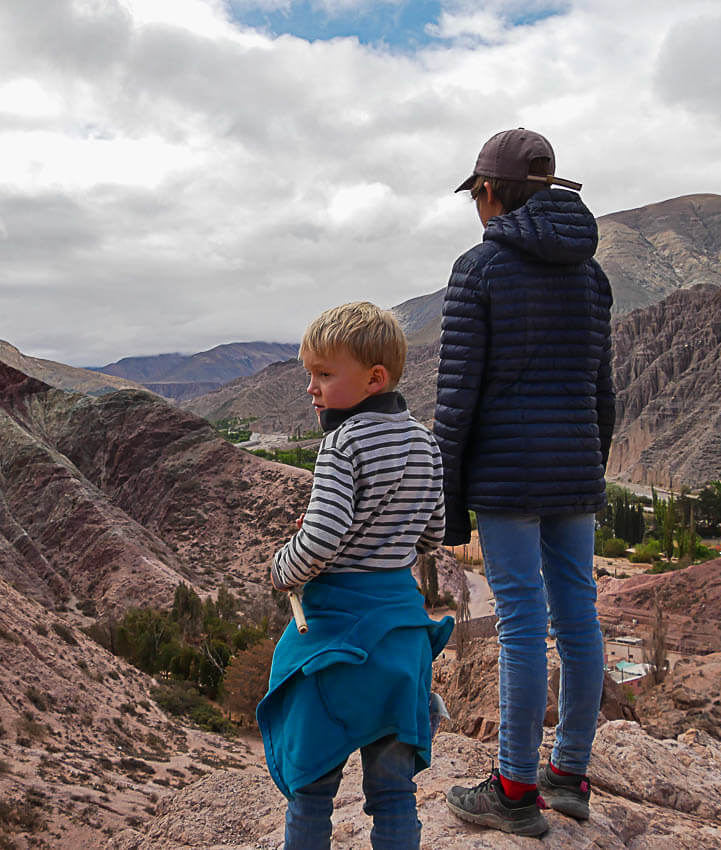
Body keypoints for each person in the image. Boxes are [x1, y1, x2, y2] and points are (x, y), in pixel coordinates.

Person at [436, 128, 614, 837]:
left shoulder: (480, 269)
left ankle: (513, 788)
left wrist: (450, 511)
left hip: (507, 477)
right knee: (578, 618)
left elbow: (457, 400)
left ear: (487, 193)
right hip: (574, 468)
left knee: (519, 626)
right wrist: (587, 466)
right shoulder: (592, 276)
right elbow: (603, 392)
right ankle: (568, 775)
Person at [257, 301, 454, 850]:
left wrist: (281, 568)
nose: (311, 388)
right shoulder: (424, 441)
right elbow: (433, 533)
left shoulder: (341, 444)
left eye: (324, 374)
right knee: (393, 795)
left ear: (374, 378)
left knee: (311, 790)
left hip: (338, 642)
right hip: (400, 640)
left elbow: (318, 542)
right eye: (309, 374)